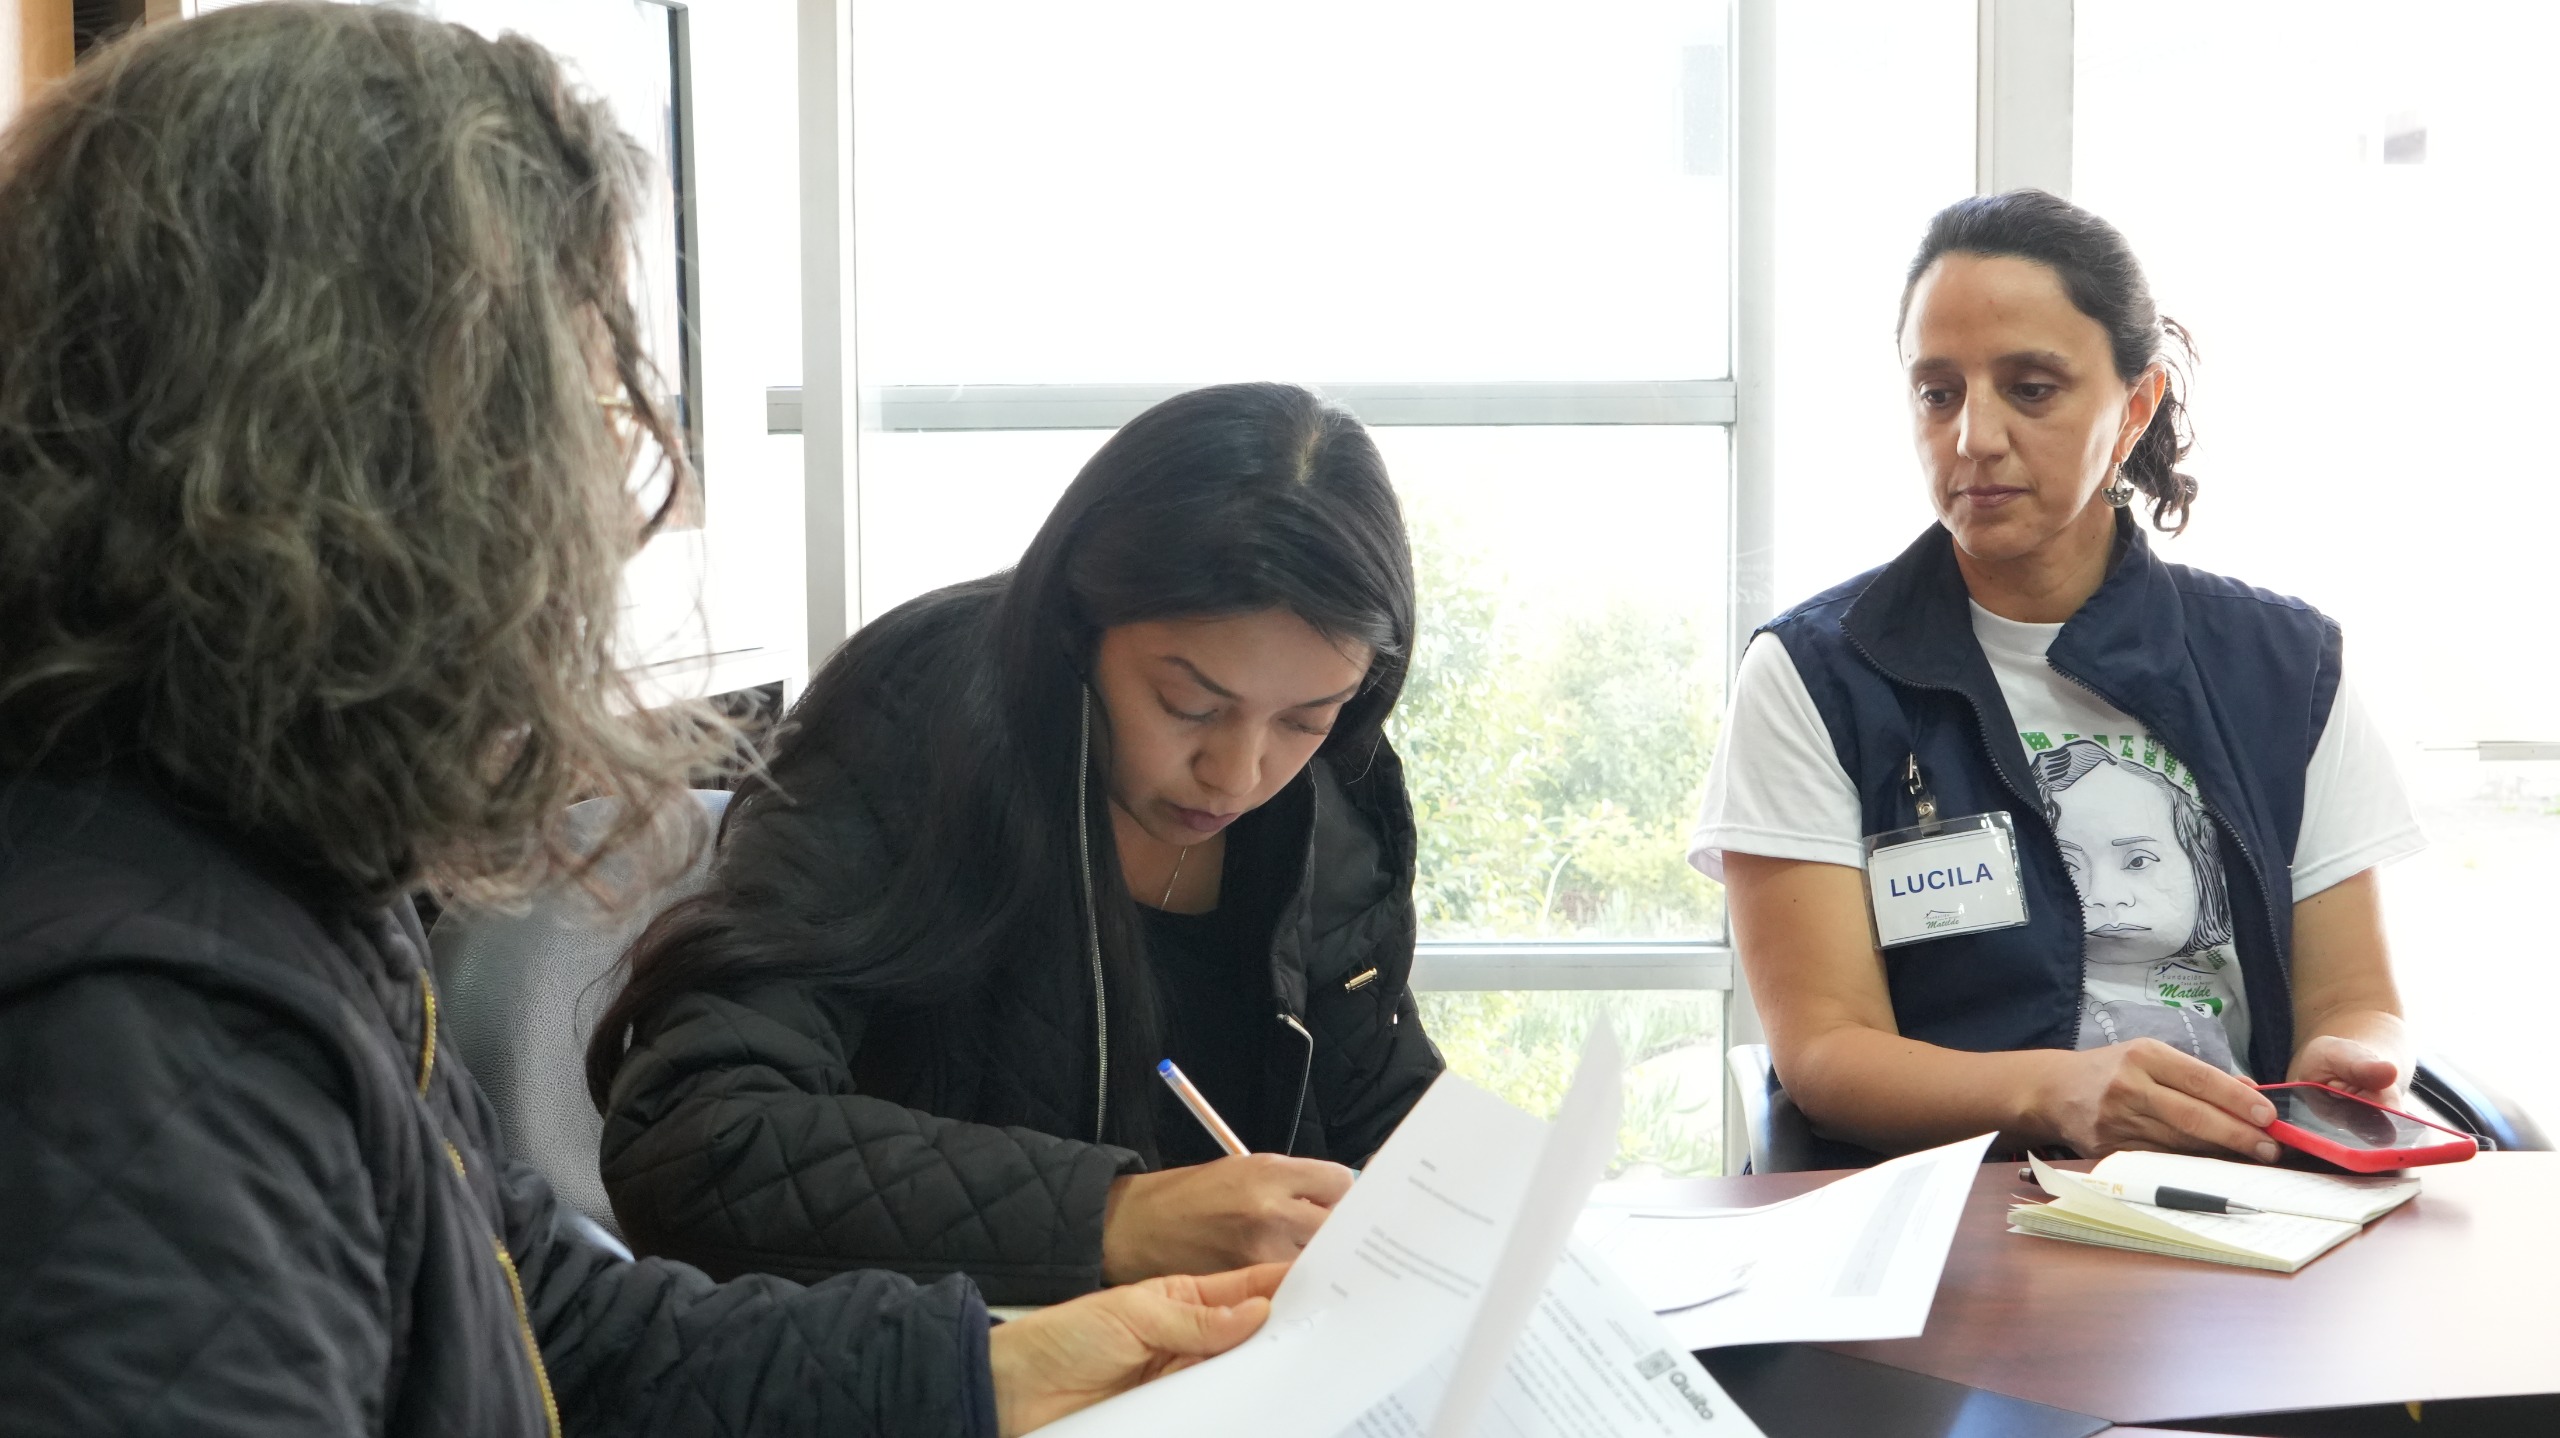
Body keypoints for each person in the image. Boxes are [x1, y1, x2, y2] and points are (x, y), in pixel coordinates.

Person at [0, 7, 1277, 1434]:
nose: (612, 479)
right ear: (367, 460)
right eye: (579, 404)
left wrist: (986, 1370)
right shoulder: (138, 1031)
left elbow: (563, 1326)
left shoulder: (264, 859)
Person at [587, 381, 1441, 1304]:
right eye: (1188, 704)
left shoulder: (1334, 792)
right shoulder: (919, 722)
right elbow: (696, 1138)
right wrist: (1113, 1217)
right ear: (1079, 625)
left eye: (1306, 719)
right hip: (951, 1355)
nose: (1237, 775)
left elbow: (1381, 1110)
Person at [1690, 190, 2424, 1164]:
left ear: (2135, 407)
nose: (1972, 437)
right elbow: (1826, 1052)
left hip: (2237, 1195)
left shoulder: (2286, 666)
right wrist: (2053, 1093)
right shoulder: (1814, 674)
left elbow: (2356, 1002)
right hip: (1952, 1200)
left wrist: (2354, 1058)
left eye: (2030, 389)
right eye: (1937, 392)